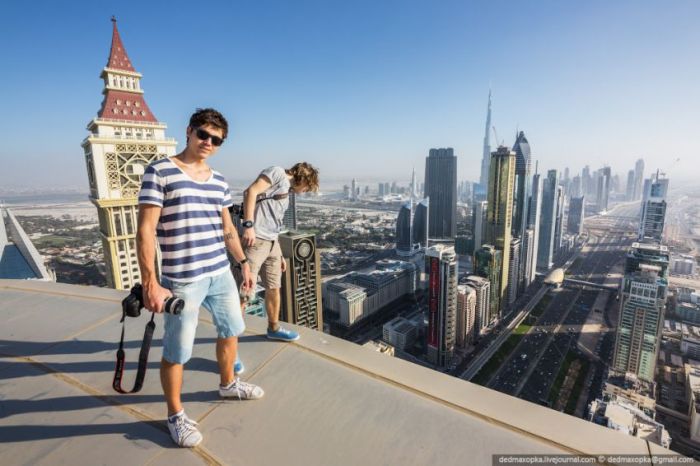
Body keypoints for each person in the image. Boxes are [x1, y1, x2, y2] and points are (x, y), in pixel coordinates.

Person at [136, 108, 263, 448]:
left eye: (216, 139)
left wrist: (243, 264)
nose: (208, 142)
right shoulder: (160, 171)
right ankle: (176, 414)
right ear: (189, 131)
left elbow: (227, 229)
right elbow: (146, 230)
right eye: (204, 134)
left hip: (220, 272)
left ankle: (228, 383)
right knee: (177, 350)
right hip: (184, 279)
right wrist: (150, 281)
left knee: (232, 330)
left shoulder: (219, 181)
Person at [234, 162, 319, 368]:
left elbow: (274, 220)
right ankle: (230, 348)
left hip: (272, 242)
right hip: (256, 242)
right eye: (307, 188)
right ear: (303, 179)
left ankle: (273, 328)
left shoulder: (286, 191)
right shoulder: (277, 173)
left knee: (274, 287)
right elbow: (250, 192)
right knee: (244, 293)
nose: (304, 192)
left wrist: (278, 251)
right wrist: (248, 226)